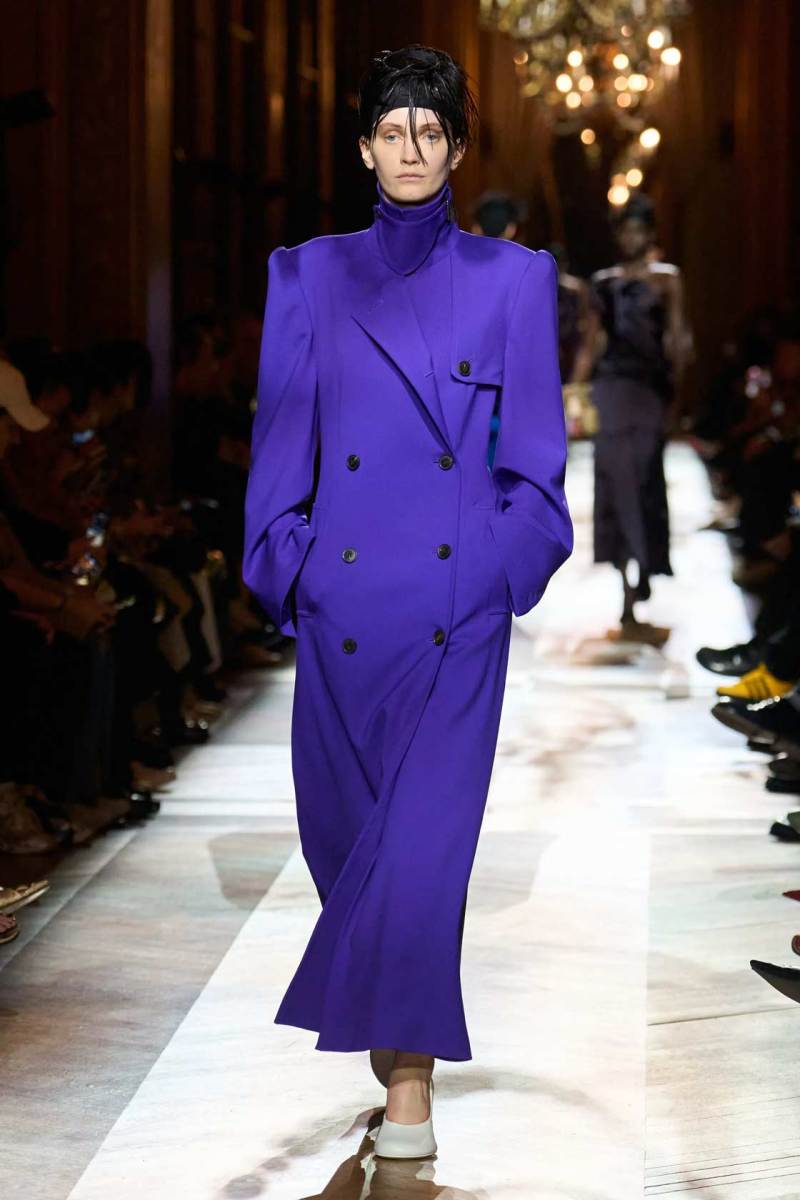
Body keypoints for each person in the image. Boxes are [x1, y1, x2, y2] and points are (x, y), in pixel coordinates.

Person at [243, 43, 573, 1159]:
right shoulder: (308, 275)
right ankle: (395, 1053)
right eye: (392, 130)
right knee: (349, 849)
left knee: (426, 855)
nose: (411, 149)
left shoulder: (513, 279)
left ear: (457, 147)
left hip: (454, 615)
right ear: (363, 149)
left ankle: (411, 1089)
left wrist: (496, 571)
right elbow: (281, 444)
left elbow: (535, 464)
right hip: (343, 614)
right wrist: (287, 567)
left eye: (430, 131)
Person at [571, 193, 687, 634]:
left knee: (644, 477)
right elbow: (592, 341)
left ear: (651, 234)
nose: (632, 238)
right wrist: (575, 391)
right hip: (611, 388)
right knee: (614, 480)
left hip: (649, 389)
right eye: (626, 230)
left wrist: (677, 397)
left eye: (639, 230)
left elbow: (677, 337)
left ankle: (645, 566)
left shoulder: (667, 279)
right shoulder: (603, 282)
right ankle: (625, 584)